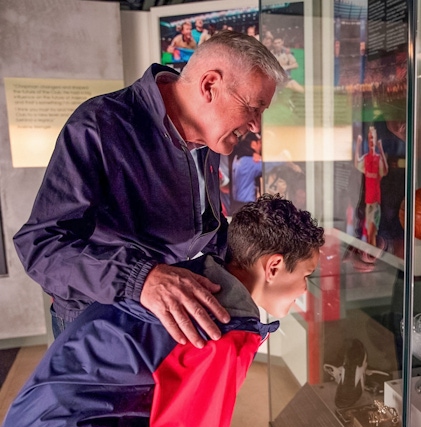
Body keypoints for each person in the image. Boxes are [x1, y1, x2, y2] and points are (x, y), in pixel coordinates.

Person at [13, 32, 287, 350]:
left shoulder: (208, 133)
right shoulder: (99, 126)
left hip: (155, 314)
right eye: (253, 108)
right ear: (210, 85)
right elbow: (41, 247)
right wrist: (141, 278)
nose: (256, 125)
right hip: (97, 321)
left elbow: (205, 225)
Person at [1, 195, 325, 427]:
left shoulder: (184, 276)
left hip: (35, 418)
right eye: (305, 276)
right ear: (274, 266)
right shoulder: (222, 327)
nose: (304, 289)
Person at [354, 125, 388, 254]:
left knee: (373, 229)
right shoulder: (367, 158)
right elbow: (357, 164)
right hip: (368, 200)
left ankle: (372, 252)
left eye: (373, 138)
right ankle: (371, 252)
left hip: (375, 201)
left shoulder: (378, 159)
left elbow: (384, 170)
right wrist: (357, 144)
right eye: (370, 138)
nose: (371, 140)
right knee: (369, 230)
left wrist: (381, 149)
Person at [230, 132, 263, 214]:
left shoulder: (238, 158)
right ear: (253, 144)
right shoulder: (249, 161)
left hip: (237, 203)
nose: (262, 146)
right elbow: (268, 166)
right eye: (260, 143)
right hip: (246, 205)